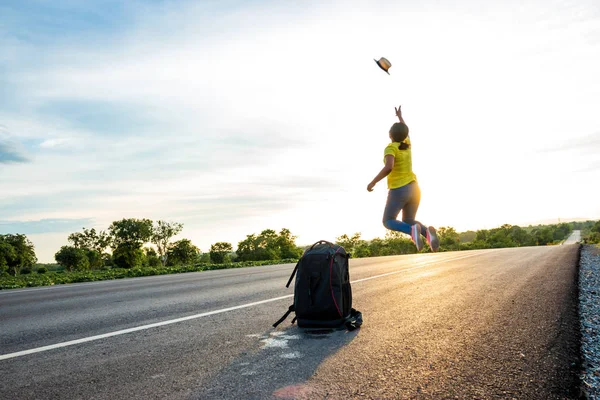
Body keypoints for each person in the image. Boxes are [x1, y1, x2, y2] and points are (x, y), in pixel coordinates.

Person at [367, 105, 439, 252]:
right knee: (408, 220)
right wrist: (400, 117)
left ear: (390, 134)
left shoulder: (391, 148)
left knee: (388, 221)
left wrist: (373, 182)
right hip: (415, 189)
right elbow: (406, 129)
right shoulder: (407, 145)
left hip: (399, 189)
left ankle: (413, 231)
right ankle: (428, 236)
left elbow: (389, 167)